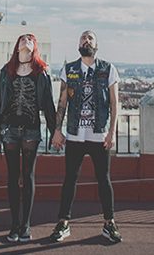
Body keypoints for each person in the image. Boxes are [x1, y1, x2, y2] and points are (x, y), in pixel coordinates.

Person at [49, 30, 122, 243]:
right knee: (70, 179)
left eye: (90, 37)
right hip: (74, 135)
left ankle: (109, 223)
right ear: (78, 44)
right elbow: (62, 102)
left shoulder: (108, 69)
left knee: (104, 180)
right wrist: (57, 129)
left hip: (99, 135)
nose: (86, 40)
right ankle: (63, 223)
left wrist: (112, 132)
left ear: (96, 45)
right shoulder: (69, 69)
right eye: (82, 37)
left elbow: (115, 102)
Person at [0, 33, 56, 243]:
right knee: (12, 177)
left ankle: (26, 224)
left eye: (30, 39)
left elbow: (48, 106)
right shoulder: (6, 71)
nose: (25, 41)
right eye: (22, 39)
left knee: (27, 177)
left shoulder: (41, 73)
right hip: (9, 129)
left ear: (34, 46)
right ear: (17, 46)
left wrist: (55, 131)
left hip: (31, 131)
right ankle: (14, 224)